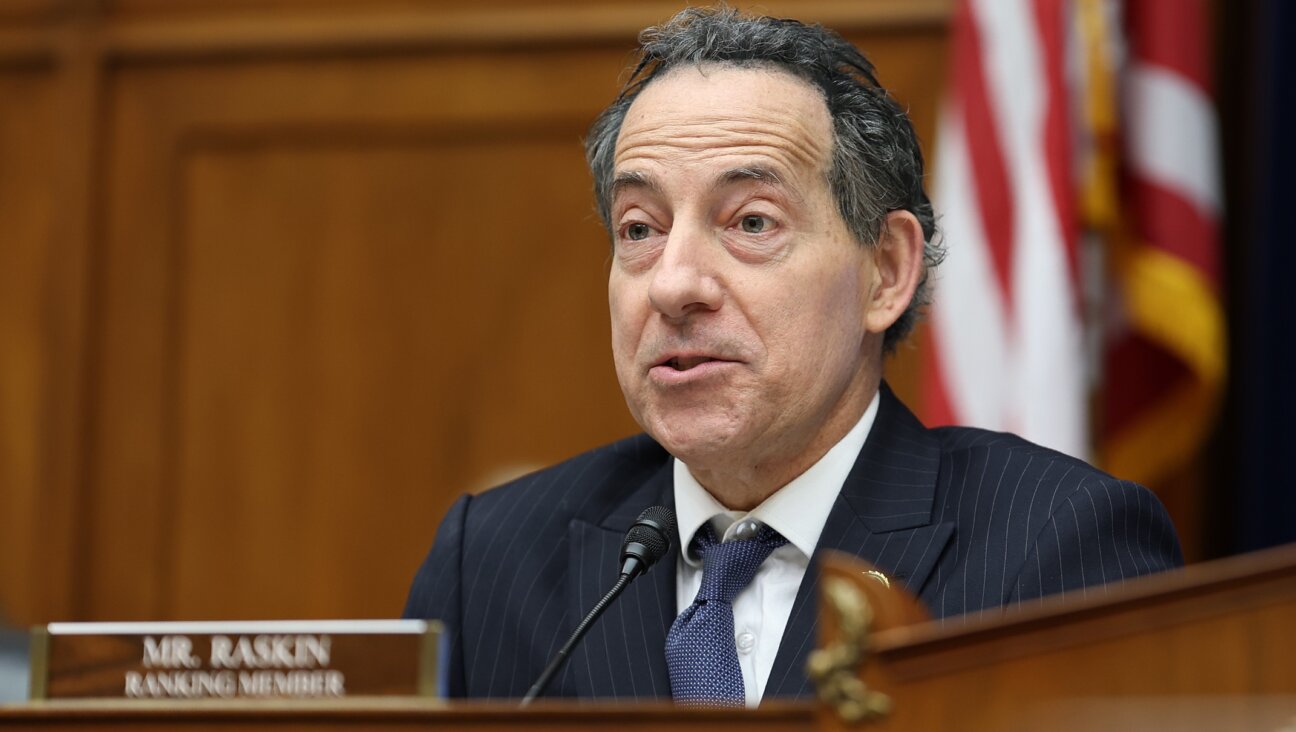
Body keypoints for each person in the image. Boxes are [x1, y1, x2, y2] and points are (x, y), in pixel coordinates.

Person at [403, 6, 1182, 706]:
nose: (674, 284)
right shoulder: (493, 561)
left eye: (750, 223)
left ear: (886, 271)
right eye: (640, 229)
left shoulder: (1057, 548)